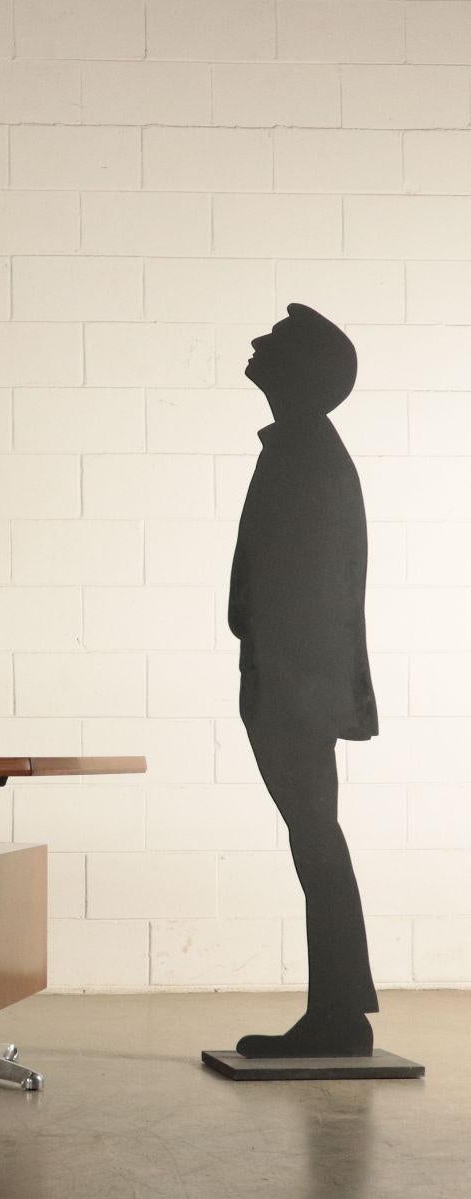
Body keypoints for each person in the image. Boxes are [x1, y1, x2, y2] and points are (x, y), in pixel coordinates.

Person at [228, 303, 378, 1058]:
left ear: (302, 373)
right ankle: (340, 1010)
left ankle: (340, 1017)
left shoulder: (308, 457)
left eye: (276, 343)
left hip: (296, 688)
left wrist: (283, 685)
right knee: (316, 840)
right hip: (291, 682)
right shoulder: (300, 450)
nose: (258, 344)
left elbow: (316, 593)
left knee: (317, 841)